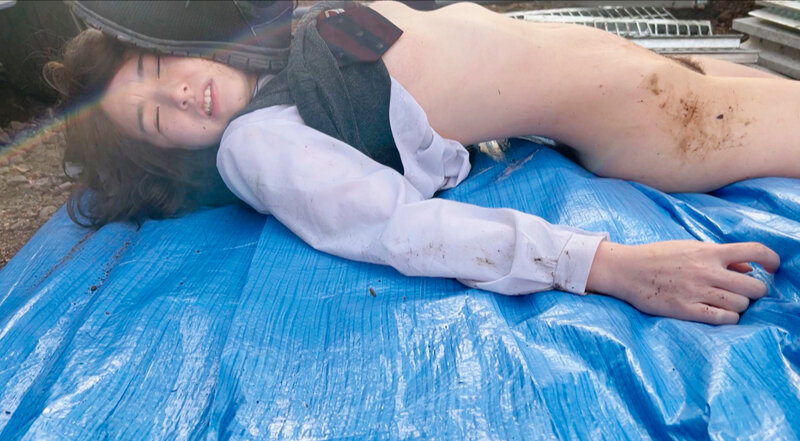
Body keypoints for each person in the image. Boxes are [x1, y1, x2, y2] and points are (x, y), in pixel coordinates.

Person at [44, 1, 791, 326]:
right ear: (173, 155)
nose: (178, 95)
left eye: (156, 69)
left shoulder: (277, 49)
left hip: (649, 74)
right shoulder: (256, 143)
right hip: (661, 122)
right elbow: (397, 228)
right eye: (155, 119)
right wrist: (610, 267)